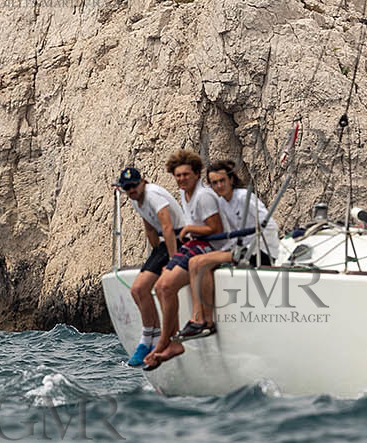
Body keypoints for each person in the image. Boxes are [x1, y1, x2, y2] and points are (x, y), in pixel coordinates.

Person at [144, 149, 227, 369]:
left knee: (167, 286)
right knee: (160, 287)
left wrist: (190, 228)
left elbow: (216, 229)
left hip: (209, 245)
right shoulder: (185, 193)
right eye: (178, 175)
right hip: (193, 242)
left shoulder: (204, 196)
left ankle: (167, 340)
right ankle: (171, 341)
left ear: (197, 174)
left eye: (186, 175)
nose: (181, 179)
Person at [180, 160, 281, 340]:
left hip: (260, 252)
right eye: (214, 183)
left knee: (202, 263)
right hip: (239, 248)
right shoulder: (222, 202)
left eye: (222, 181)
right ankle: (198, 318)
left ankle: (207, 322)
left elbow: (270, 225)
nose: (219, 186)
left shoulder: (244, 197)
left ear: (231, 180)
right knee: (193, 261)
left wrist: (253, 242)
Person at [117, 165, 186, 367]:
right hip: (164, 243)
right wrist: (156, 255)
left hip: (179, 237)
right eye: (127, 187)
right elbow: (150, 228)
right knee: (138, 289)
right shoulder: (135, 200)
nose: (131, 190)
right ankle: (149, 338)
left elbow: (167, 227)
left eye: (134, 186)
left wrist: (173, 262)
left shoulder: (153, 195)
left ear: (143, 183)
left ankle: (157, 339)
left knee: (156, 287)